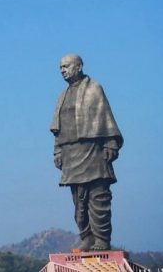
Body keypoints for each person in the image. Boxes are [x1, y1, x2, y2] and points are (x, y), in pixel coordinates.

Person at [50, 54, 122, 252]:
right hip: (70, 154)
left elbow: (105, 118)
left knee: (98, 198)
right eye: (60, 68)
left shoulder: (94, 89)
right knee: (79, 204)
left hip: (93, 151)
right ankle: (87, 237)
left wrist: (110, 144)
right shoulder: (62, 96)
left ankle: (102, 240)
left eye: (66, 66)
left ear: (79, 66)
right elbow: (58, 130)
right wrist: (57, 152)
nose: (62, 70)